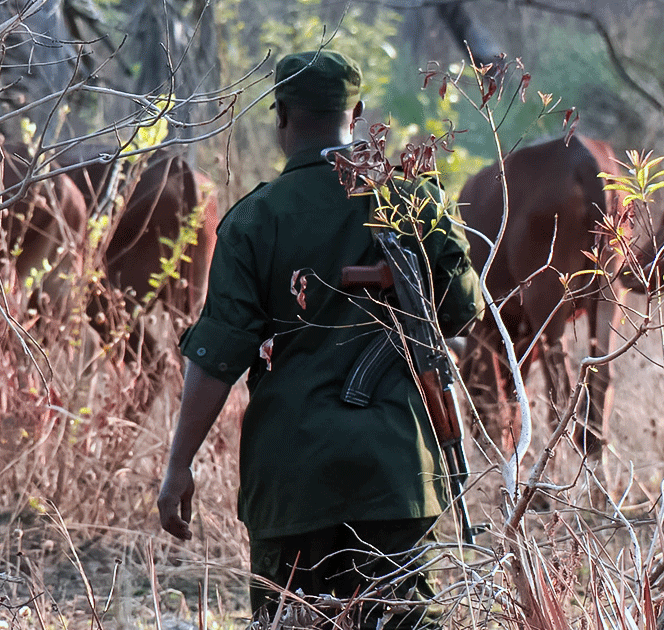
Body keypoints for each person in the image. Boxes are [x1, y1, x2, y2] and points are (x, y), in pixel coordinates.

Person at [156, 50, 482, 629]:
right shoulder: (410, 201)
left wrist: (178, 464)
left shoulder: (255, 220)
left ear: (280, 116)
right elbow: (463, 310)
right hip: (396, 471)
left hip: (292, 480)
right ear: (354, 114)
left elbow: (217, 356)